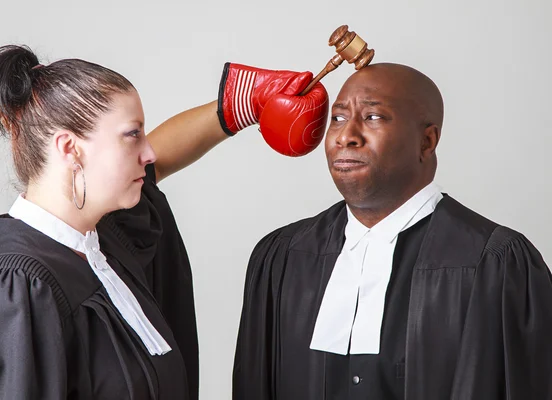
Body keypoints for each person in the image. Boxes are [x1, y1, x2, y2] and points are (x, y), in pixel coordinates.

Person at [0, 45, 328, 399]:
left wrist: (246, 104)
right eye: (133, 135)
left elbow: (159, 161)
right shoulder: (13, 294)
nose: (148, 151)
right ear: (70, 148)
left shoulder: (103, 242)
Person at [233, 63, 552, 400]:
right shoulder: (281, 257)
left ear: (426, 142)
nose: (345, 136)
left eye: (373, 117)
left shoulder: (496, 264)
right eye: (338, 119)